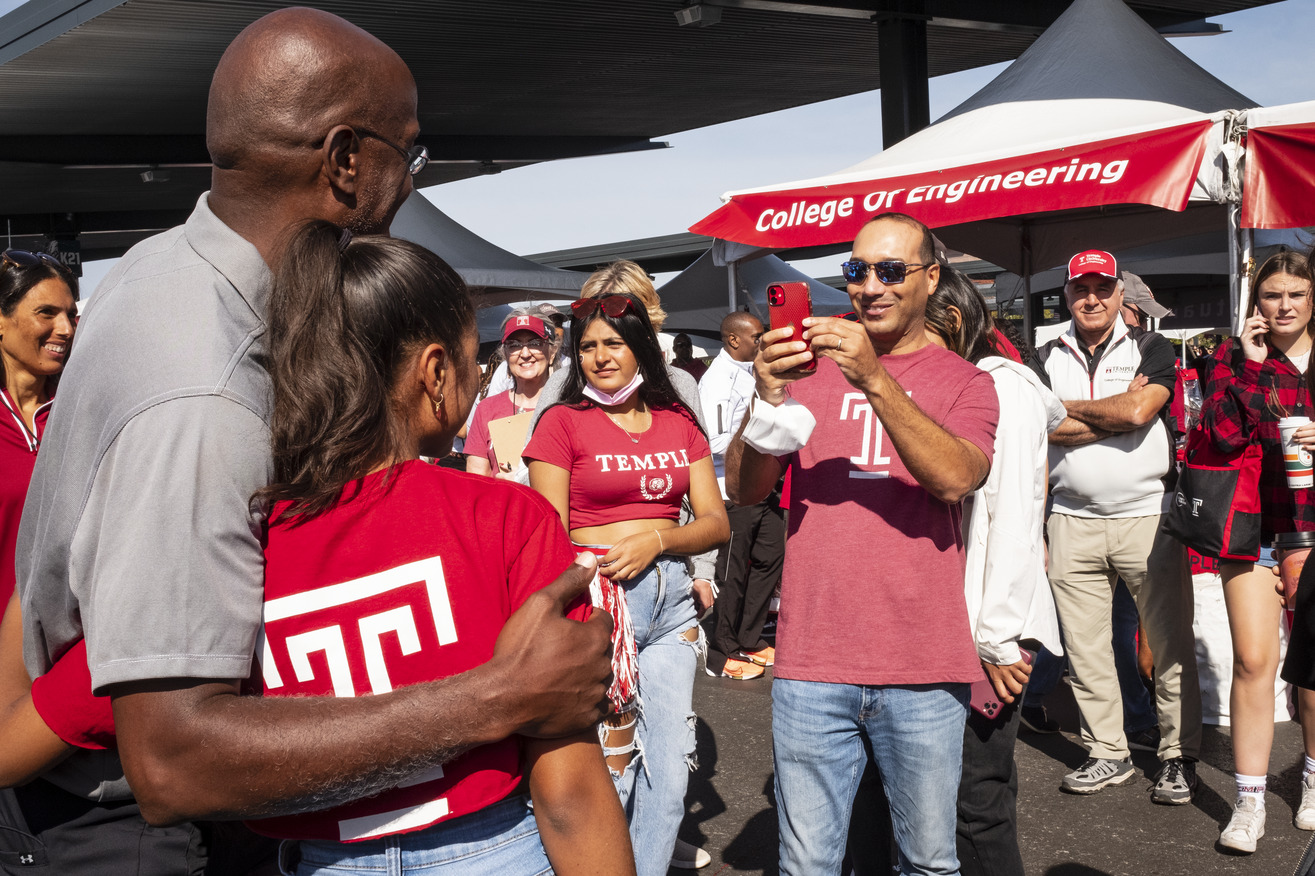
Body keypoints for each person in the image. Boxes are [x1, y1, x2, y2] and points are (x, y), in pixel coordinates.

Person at [17, 6, 612, 835]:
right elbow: (175, 761)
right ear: (344, 161)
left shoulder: (157, 270)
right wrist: (498, 696)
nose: (410, 184)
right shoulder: (208, 391)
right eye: (409, 156)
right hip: (142, 834)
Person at [246, 221, 633, 874]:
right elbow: (567, 791)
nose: (480, 380)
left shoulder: (242, 533)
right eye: (472, 360)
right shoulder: (504, 516)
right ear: (433, 372)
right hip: (493, 851)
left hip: (312, 859)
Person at [726, 212, 999, 876]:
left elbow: (957, 476)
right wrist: (764, 396)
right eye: (855, 271)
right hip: (812, 662)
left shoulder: (967, 382)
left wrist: (875, 379)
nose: (869, 286)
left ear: (930, 280)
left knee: (928, 863)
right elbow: (743, 486)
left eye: (889, 271)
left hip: (922, 666)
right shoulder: (806, 371)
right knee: (807, 864)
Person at [524, 292, 728, 876]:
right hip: (602, 602)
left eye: (613, 343)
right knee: (613, 771)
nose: (599, 357)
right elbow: (549, 534)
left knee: (669, 776)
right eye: (587, 346)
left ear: (641, 347)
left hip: (672, 606)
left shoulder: (678, 422)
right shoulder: (561, 422)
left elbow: (716, 526)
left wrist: (658, 541)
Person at [1033, 249, 1201, 804]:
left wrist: (1066, 411)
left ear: (1120, 294)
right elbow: (1040, 428)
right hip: (1071, 518)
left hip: (1147, 516)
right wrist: (1112, 410)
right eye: (1081, 288)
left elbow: (1138, 413)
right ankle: (1109, 751)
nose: (1092, 298)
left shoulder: (1151, 346)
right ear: (1066, 294)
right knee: (1084, 650)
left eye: (1103, 288)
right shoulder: (1041, 353)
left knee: (1171, 645)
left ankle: (1177, 756)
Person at [924, 266, 1063, 876]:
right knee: (975, 798)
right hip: (973, 622)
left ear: (952, 321)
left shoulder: (1000, 387)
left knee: (974, 804)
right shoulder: (996, 383)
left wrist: (995, 639)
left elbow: (1009, 519)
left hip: (987, 629)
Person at [1199, 250, 1315, 852]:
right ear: (1256, 301)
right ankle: (1249, 801)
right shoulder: (1228, 355)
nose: (1285, 306)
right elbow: (1220, 435)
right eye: (1273, 295)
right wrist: (1249, 367)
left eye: (1297, 293)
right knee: (1253, 661)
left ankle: (1313, 779)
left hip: (1313, 528)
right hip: (1254, 532)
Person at [698, 311, 782, 681]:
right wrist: (758, 434)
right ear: (734, 340)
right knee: (731, 572)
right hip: (729, 491)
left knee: (769, 557)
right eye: (757, 336)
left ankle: (750, 637)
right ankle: (723, 648)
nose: (762, 342)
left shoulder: (750, 370)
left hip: (762, 487)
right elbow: (714, 441)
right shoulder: (717, 381)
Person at [466, 312, 554, 478]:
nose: (525, 353)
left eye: (535, 343)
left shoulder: (568, 405)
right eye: (514, 345)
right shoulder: (487, 409)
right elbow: (476, 481)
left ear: (552, 351)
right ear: (505, 354)